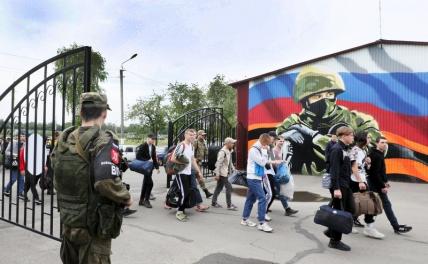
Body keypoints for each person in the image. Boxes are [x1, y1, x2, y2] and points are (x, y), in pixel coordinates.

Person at [52, 92, 133, 263]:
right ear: (104, 113)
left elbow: (56, 176)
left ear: (81, 113)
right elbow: (105, 182)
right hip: (93, 227)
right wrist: (125, 197)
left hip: (69, 222)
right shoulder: (102, 141)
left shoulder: (64, 141)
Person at [276, 66, 382, 175]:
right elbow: (275, 141)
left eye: (329, 94)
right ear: (305, 100)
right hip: (306, 178)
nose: (325, 100)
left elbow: (375, 146)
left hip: (347, 175)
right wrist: (286, 135)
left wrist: (313, 135)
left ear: (335, 96)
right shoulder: (294, 121)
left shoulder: (357, 120)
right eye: (318, 96)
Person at [367, 136, 412, 234]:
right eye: (382, 142)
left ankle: (354, 218)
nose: (384, 144)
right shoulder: (375, 155)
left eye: (385, 143)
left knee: (374, 205)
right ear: (377, 143)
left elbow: (381, 170)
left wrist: (386, 181)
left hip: (377, 183)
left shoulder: (379, 154)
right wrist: (382, 186)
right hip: (375, 185)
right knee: (383, 205)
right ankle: (396, 226)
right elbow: (374, 174)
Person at [241, 133, 282, 233]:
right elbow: (262, 162)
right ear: (263, 142)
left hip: (256, 177)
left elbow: (266, 161)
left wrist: (272, 160)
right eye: (267, 143)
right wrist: (265, 152)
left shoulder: (258, 149)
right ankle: (262, 223)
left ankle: (245, 219)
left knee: (250, 199)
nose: (268, 146)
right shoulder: (254, 150)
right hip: (253, 178)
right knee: (263, 198)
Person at [323, 126, 355, 251]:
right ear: (343, 136)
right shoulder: (337, 149)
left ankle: (331, 230)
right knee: (340, 213)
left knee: (351, 209)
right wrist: (336, 188)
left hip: (345, 184)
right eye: (351, 135)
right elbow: (334, 170)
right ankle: (335, 241)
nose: (353, 137)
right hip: (339, 186)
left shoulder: (344, 149)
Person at [349, 132, 384, 239]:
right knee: (371, 203)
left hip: (361, 179)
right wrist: (360, 182)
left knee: (354, 203)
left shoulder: (363, 150)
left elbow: (363, 168)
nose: (370, 139)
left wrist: (367, 162)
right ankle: (369, 227)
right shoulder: (355, 150)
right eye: (368, 137)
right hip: (356, 180)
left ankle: (350, 223)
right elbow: (354, 168)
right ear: (362, 138)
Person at [171, 129, 205, 221]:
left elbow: (193, 160)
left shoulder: (192, 146)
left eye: (194, 135)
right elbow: (172, 159)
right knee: (184, 193)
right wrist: (183, 163)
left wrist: (199, 172)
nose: (193, 136)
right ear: (185, 135)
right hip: (181, 173)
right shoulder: (181, 145)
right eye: (190, 135)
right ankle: (179, 212)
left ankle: (181, 209)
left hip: (189, 173)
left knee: (187, 192)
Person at [272, 136, 298, 216]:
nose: (282, 142)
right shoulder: (274, 150)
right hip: (274, 174)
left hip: (279, 173)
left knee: (278, 192)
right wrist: (280, 162)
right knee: (279, 192)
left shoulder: (281, 149)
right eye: (280, 141)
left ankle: (286, 208)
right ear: (276, 141)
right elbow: (271, 162)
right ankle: (287, 209)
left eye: (283, 141)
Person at [211, 137, 238, 211]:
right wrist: (217, 174)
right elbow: (218, 163)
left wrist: (233, 169)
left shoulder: (229, 151)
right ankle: (229, 205)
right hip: (222, 173)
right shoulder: (222, 152)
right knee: (228, 187)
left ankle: (214, 202)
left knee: (219, 187)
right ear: (228, 143)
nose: (233, 144)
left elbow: (230, 162)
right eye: (232, 143)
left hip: (224, 172)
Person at [136, 134, 160, 208]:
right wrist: (147, 160)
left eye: (154, 139)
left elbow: (154, 158)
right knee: (150, 184)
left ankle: (141, 200)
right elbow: (138, 157)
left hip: (149, 168)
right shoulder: (143, 146)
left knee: (145, 184)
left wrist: (157, 167)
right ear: (148, 138)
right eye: (151, 139)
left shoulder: (153, 147)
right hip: (144, 167)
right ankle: (146, 200)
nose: (153, 140)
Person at [193, 130, 213, 198]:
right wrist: (194, 160)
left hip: (199, 163)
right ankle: (205, 191)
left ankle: (206, 192)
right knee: (199, 177)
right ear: (198, 135)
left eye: (204, 135)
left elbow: (206, 153)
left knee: (199, 177)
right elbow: (192, 152)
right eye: (202, 135)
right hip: (195, 163)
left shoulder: (203, 142)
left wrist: (205, 143)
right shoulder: (196, 142)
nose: (204, 136)